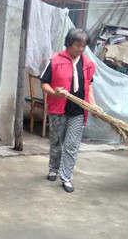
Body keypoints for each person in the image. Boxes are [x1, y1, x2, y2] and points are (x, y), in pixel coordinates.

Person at [40, 28, 100, 193]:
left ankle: (66, 177)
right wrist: (54, 93)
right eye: (77, 45)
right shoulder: (55, 59)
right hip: (57, 109)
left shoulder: (88, 64)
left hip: (78, 111)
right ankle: (53, 168)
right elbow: (44, 82)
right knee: (56, 141)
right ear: (68, 43)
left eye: (83, 46)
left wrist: (93, 104)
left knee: (72, 145)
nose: (80, 49)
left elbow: (89, 85)